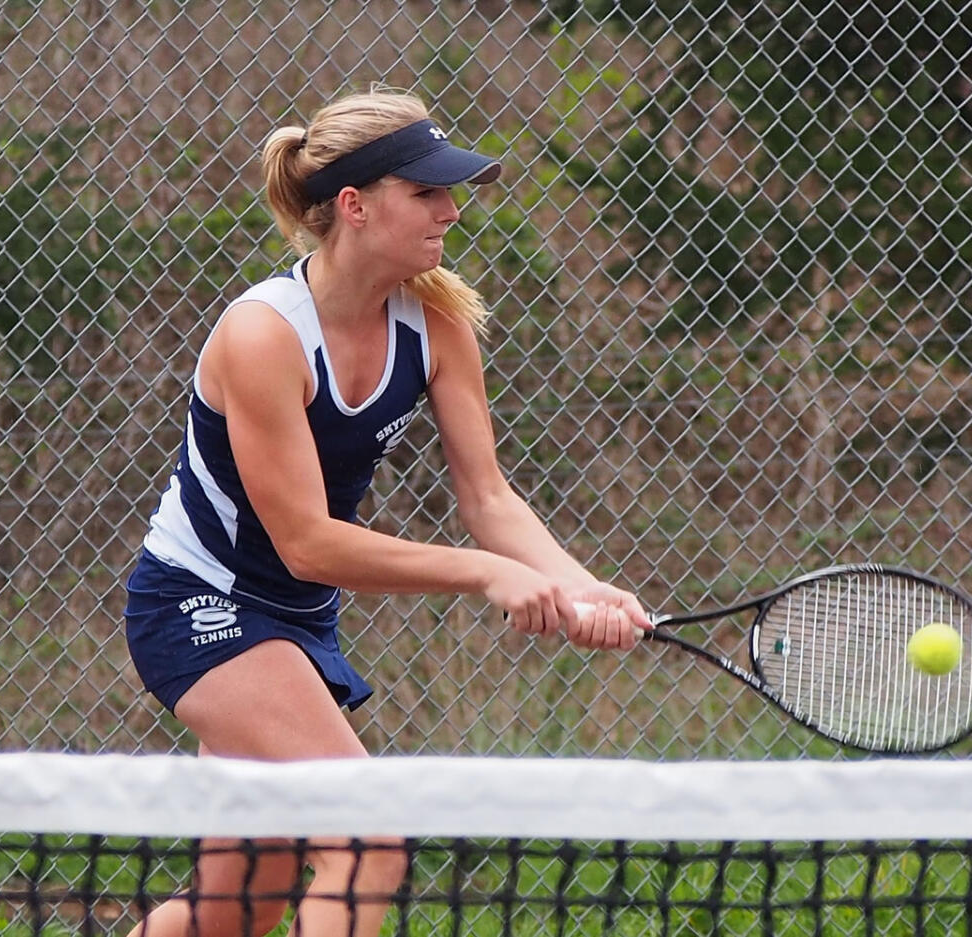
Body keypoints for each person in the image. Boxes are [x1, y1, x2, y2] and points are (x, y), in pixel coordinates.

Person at [123, 85, 650, 937]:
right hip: (198, 607)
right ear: (355, 206)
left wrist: (586, 587)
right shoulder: (263, 336)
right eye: (427, 192)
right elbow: (306, 542)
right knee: (369, 839)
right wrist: (488, 574)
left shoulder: (437, 325)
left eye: (450, 191)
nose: (450, 210)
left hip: (297, 621)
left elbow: (488, 496)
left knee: (234, 910)